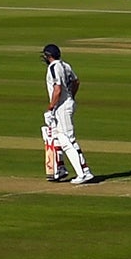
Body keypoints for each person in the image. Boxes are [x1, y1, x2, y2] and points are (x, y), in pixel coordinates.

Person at [41, 44, 95, 184]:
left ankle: (84, 172)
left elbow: (57, 89)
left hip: (61, 107)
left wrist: (51, 108)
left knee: (68, 140)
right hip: (66, 104)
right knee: (58, 138)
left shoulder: (53, 67)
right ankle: (60, 169)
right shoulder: (66, 65)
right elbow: (76, 82)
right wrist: (71, 96)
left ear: (48, 56)